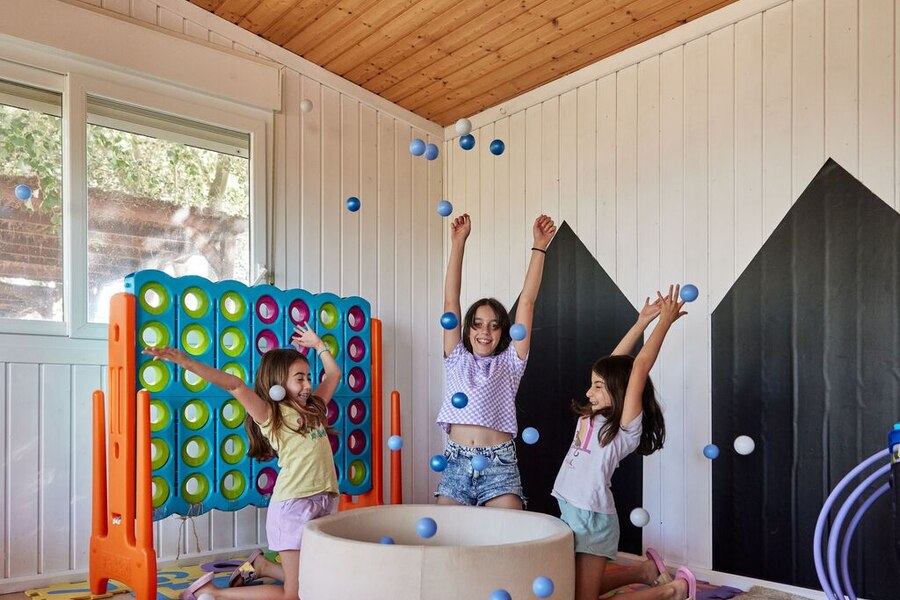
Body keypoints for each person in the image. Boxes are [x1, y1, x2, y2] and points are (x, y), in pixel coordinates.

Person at [144, 323, 340, 600]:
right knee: (294, 595)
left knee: (314, 579)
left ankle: (262, 566)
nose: (308, 385)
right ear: (278, 384)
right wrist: (186, 362)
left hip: (322, 501)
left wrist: (319, 345)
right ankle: (214, 592)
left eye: (308, 377)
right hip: (293, 507)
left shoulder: (315, 408)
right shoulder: (271, 415)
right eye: (300, 378)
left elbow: (334, 374)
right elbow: (234, 385)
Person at [552, 286, 697, 600]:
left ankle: (674, 591)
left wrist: (664, 322)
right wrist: (640, 322)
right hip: (571, 509)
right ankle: (644, 572)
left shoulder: (625, 426)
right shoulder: (596, 412)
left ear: (618, 390)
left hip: (592, 518)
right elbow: (614, 365)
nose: (589, 392)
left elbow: (638, 367)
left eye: (597, 386)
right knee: (573, 592)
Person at [435, 212, 556, 509]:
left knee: (509, 530)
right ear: (468, 329)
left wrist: (539, 246)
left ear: (503, 331)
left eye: (493, 325)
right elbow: (451, 301)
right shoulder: (457, 357)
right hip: (456, 461)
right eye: (477, 324)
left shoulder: (511, 362)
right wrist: (458, 242)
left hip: (498, 464)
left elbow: (527, 301)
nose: (485, 332)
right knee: (448, 532)